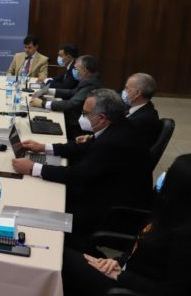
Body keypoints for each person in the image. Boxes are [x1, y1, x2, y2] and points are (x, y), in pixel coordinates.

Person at [12, 89, 153, 243]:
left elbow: (77, 175)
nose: (82, 117)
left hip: (111, 208)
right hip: (106, 188)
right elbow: (83, 147)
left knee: (45, 205)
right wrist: (43, 147)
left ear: (101, 118)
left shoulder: (113, 141)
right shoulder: (118, 125)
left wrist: (33, 168)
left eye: (85, 113)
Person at [61, 154, 191, 296]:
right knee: (66, 239)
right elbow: (139, 245)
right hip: (126, 273)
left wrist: (120, 275)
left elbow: (172, 294)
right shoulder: (171, 212)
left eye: (169, 173)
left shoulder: (185, 237)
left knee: (61, 258)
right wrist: (117, 261)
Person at [77, 73, 161, 150]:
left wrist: (92, 140)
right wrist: (91, 137)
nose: (123, 91)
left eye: (126, 88)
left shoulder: (142, 120)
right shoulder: (139, 107)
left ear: (137, 93)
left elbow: (114, 139)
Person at [31, 55, 102, 139]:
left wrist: (43, 103)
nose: (74, 71)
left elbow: (71, 103)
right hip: (73, 118)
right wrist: (49, 91)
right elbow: (72, 92)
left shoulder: (90, 84)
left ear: (85, 70)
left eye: (76, 69)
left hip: (76, 126)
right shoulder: (88, 80)